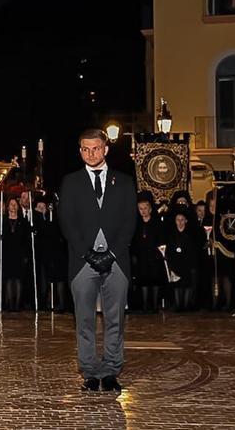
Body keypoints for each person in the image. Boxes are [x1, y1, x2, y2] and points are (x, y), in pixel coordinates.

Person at [58, 128, 137, 394]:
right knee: (85, 319)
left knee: (115, 319)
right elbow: (67, 223)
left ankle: (112, 371)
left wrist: (112, 253)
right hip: (83, 262)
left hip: (117, 261)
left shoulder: (125, 182)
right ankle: (90, 372)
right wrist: (88, 253)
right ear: (80, 151)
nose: (91, 153)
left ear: (105, 149)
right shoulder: (70, 182)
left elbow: (130, 222)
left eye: (96, 148)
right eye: (85, 149)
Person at [131, 196, 166, 313]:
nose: (143, 211)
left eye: (145, 208)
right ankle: (145, 305)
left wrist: (158, 254)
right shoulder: (136, 224)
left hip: (154, 257)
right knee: (143, 281)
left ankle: (155, 305)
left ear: (150, 209)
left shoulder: (157, 224)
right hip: (142, 257)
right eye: (141, 208)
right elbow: (134, 241)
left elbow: (161, 240)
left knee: (155, 280)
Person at [164, 211, 199, 312]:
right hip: (176, 264)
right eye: (178, 220)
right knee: (177, 285)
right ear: (175, 221)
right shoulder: (171, 235)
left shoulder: (190, 235)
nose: (180, 222)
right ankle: (178, 305)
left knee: (187, 285)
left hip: (187, 264)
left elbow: (193, 251)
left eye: (182, 220)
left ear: (186, 221)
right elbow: (169, 250)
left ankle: (186, 305)